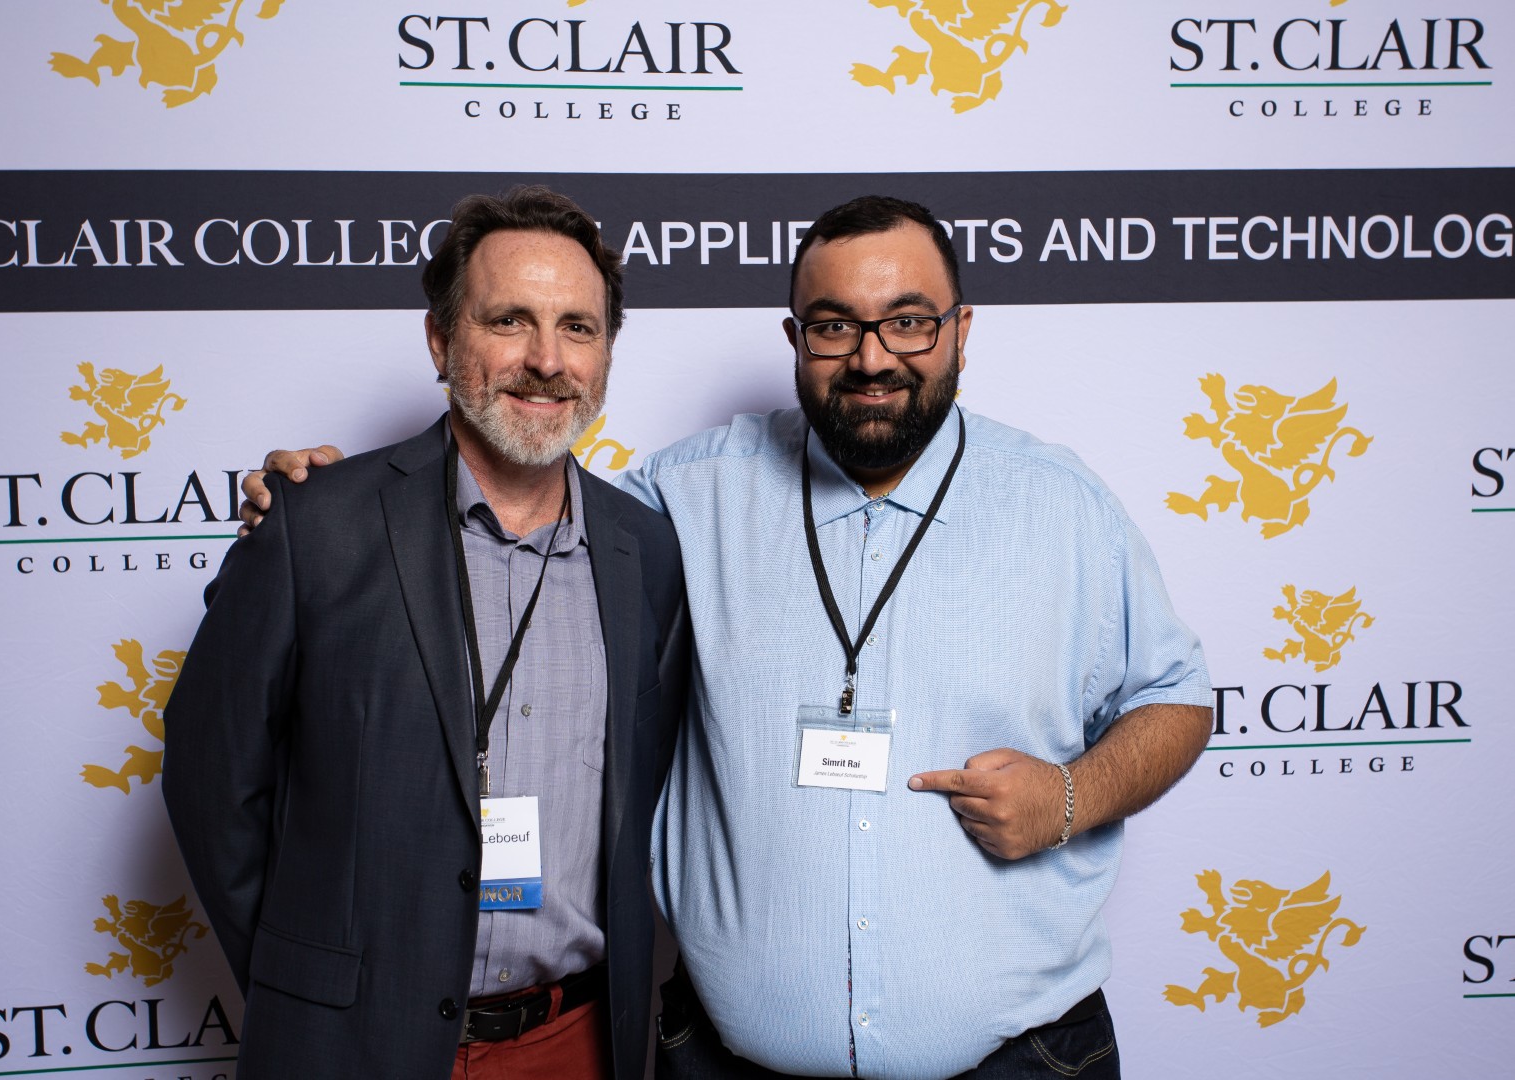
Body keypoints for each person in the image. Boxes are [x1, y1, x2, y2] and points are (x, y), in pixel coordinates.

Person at [245, 194, 1212, 1079]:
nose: (872, 357)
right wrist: (336, 506)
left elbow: (1177, 699)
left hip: (1021, 1060)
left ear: (961, 332)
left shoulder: (1062, 505)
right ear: (796, 339)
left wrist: (1070, 797)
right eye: (834, 326)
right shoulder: (680, 498)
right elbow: (514, 507)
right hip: (727, 1064)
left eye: (909, 320)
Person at [161, 186, 690, 1080]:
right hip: (351, 1048)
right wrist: (309, 986)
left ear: (606, 353)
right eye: (509, 321)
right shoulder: (317, 526)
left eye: (578, 328)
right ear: (441, 341)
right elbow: (212, 780)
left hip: (576, 1043)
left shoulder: (648, 551)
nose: (546, 359)